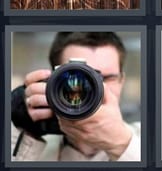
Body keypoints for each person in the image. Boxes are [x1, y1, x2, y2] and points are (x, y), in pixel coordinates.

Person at [11, 32, 141, 161]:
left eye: (106, 78)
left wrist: (121, 144)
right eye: (77, 78)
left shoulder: (151, 139)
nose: (95, 89)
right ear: (53, 82)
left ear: (121, 81)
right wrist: (19, 130)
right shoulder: (31, 146)